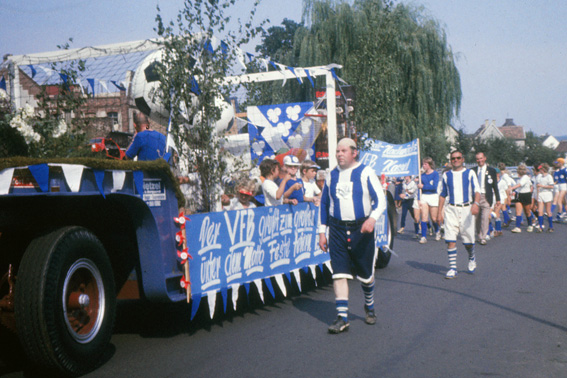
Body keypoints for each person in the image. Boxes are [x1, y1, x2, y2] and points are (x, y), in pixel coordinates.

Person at [318, 138, 386, 333]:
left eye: (344, 151)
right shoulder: (331, 176)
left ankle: (369, 306)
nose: (339, 154)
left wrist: (372, 219)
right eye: (337, 151)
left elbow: (380, 200)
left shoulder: (365, 172)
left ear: (354, 153)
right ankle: (342, 317)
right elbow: (324, 204)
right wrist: (322, 232)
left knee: (365, 276)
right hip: (337, 230)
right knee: (339, 274)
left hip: (361, 229)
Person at [437, 150, 480, 279]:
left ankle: (471, 257)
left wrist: (476, 204)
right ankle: (452, 268)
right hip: (451, 209)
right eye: (453, 158)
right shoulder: (446, 175)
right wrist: (440, 212)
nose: (455, 160)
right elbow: (443, 194)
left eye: (458, 158)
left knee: (468, 241)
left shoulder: (470, 173)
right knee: (450, 239)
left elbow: (477, 191)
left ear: (463, 159)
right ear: (451, 160)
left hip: (466, 209)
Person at [472, 152, 500, 245]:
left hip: (486, 197)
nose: (479, 160)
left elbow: (495, 185)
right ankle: (479, 235)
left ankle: (483, 237)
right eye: (477, 159)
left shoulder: (491, 170)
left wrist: (498, 199)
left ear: (485, 158)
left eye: (481, 158)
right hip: (476, 197)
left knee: (485, 217)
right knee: (477, 218)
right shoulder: (472, 171)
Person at [417, 157, 440, 243]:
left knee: (434, 218)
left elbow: (434, 187)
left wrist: (423, 186)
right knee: (424, 217)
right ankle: (423, 236)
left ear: (430, 165)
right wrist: (419, 199)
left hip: (433, 196)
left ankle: (437, 231)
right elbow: (419, 189)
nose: (424, 165)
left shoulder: (435, 174)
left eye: (425, 164)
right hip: (424, 196)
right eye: (423, 163)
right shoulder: (421, 176)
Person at [509, 164, 534, 233]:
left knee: (527, 211)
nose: (521, 171)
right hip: (519, 195)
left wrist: (512, 188)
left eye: (522, 170)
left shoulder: (526, 177)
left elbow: (520, 184)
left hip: (526, 195)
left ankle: (530, 225)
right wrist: (514, 192)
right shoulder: (519, 178)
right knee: (518, 211)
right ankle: (517, 227)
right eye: (520, 170)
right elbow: (519, 187)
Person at [535, 163, 555, 232]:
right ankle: (540, 227)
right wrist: (537, 196)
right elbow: (537, 186)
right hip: (541, 194)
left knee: (548, 211)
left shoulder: (549, 176)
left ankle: (551, 227)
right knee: (540, 211)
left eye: (540, 169)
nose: (539, 171)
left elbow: (552, 186)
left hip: (547, 194)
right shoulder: (539, 176)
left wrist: (543, 186)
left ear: (543, 169)